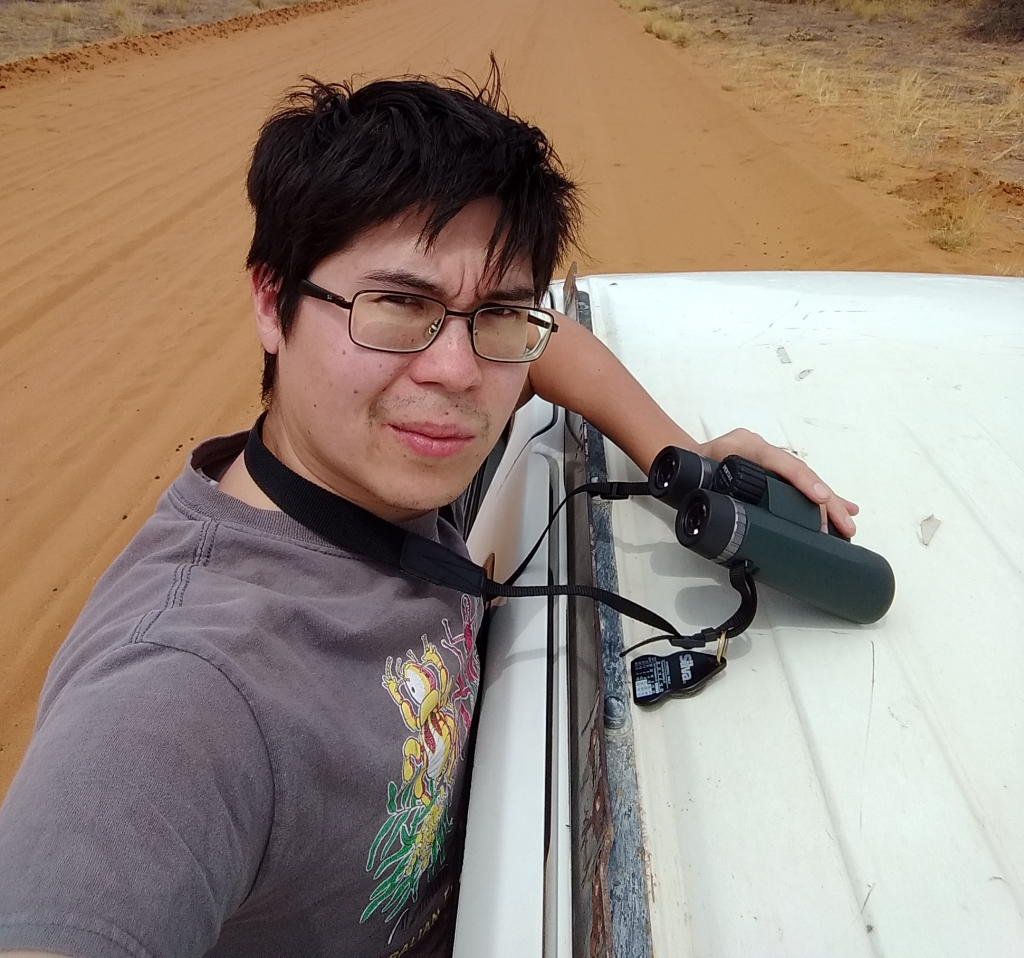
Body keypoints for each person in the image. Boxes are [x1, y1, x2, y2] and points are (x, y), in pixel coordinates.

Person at [0, 67, 858, 958]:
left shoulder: (357, 454)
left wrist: (676, 453)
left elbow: (542, 338)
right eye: (399, 304)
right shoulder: (185, 696)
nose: (456, 372)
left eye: (494, 312)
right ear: (271, 299)